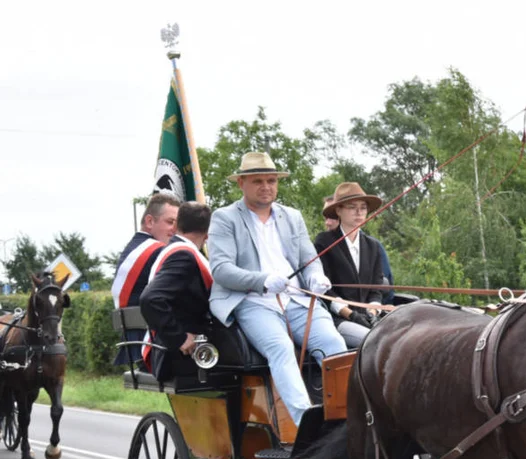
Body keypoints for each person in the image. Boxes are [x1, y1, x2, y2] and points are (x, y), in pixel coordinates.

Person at [207, 151, 345, 427]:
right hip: (253, 302)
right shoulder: (225, 218)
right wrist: (262, 280)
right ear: (241, 184)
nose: (266, 186)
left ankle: (344, 419)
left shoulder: (292, 217)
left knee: (335, 346)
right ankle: (307, 423)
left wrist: (316, 277)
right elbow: (221, 269)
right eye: (258, 181)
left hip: (298, 300)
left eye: (271, 180)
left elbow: (309, 260)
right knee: (280, 348)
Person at [139, 202, 213, 380]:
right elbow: (150, 299)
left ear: (177, 226)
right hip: (182, 354)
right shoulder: (183, 255)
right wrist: (179, 338)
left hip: (183, 349)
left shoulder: (174, 249)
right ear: (207, 234)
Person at [313, 182, 391, 347]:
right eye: (352, 207)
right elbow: (325, 290)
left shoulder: (373, 246)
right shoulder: (324, 241)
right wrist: (351, 315)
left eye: (363, 207)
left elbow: (376, 288)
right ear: (338, 210)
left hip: (369, 317)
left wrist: (372, 312)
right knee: (375, 343)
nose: (359, 212)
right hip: (338, 318)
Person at [112, 192, 181, 365]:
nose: (175, 230)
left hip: (134, 341)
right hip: (154, 345)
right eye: (170, 222)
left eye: (178, 224)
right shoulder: (157, 251)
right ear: (150, 221)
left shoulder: (134, 248)